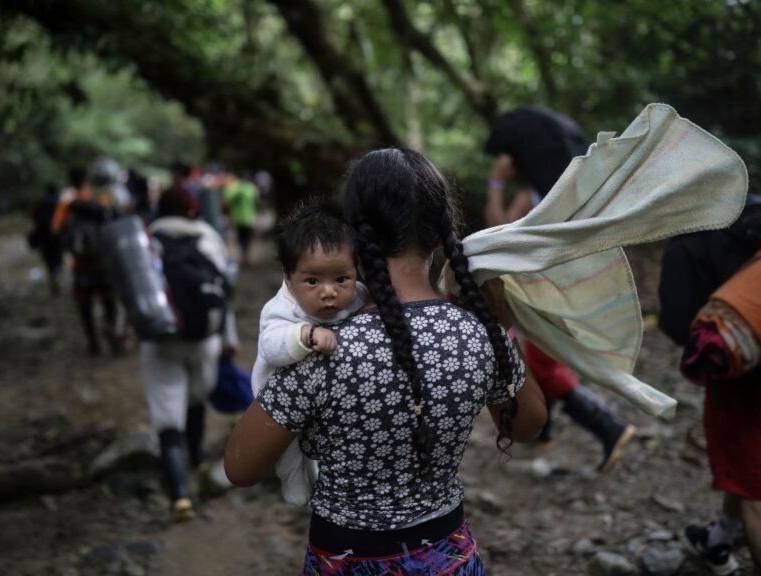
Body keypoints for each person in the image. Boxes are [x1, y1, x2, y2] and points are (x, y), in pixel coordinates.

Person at [226, 148, 547, 574]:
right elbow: (528, 426)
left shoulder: (322, 347)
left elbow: (241, 467)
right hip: (448, 559)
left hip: (347, 561)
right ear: (439, 237)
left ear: (354, 238)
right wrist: (500, 327)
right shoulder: (477, 332)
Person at [484, 106, 636, 473]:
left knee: (544, 364)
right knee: (540, 357)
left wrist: (494, 182)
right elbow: (501, 230)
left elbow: (499, 231)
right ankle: (543, 433)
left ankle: (610, 428)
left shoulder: (554, 197)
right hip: (545, 289)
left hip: (553, 289)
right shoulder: (542, 193)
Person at [659, 198, 761, 575]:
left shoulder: (685, 247)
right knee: (746, 466)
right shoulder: (749, 212)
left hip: (741, 377)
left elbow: (675, 323)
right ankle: (721, 538)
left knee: (754, 492)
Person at [252, 197, 369, 506]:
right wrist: (305, 334)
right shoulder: (281, 309)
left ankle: (320, 479)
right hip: (280, 397)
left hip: (328, 401)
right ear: (289, 280)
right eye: (313, 281)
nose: (329, 292)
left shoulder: (358, 296)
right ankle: (294, 484)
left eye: (341, 279)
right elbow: (270, 347)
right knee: (289, 451)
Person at [143, 185, 239, 522]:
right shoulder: (207, 237)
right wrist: (229, 338)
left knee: (166, 411)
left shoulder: (147, 241)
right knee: (197, 398)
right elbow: (223, 292)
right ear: (193, 209)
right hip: (204, 338)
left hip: (160, 340)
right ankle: (197, 457)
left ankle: (179, 494)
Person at [52, 167, 119, 355]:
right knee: (108, 297)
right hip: (103, 259)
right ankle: (110, 326)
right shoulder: (99, 199)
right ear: (86, 180)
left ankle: (92, 340)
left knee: (84, 303)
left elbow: (56, 229)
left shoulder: (67, 203)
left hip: (81, 263)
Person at [29, 184, 63, 295]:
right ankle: (57, 274)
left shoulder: (40, 202)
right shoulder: (60, 202)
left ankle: (53, 275)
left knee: (48, 257)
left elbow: (33, 217)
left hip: (43, 235)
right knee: (58, 256)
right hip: (58, 235)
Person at [223, 172, 258, 264]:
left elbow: (227, 198)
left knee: (241, 237)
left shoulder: (235, 187)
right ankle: (246, 254)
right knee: (247, 237)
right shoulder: (251, 187)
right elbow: (255, 198)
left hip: (238, 218)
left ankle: (244, 254)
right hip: (248, 217)